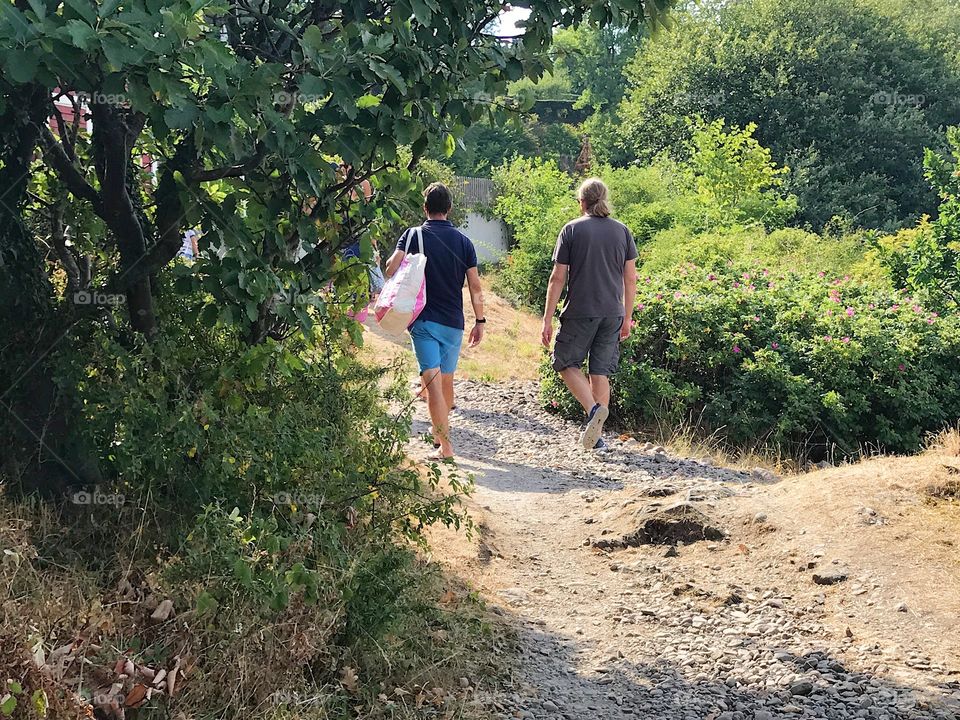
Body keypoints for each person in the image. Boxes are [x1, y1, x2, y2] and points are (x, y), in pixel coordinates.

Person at [385, 182, 485, 461]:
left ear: (425, 208)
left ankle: (446, 447)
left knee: (431, 383)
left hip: (424, 320)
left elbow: (391, 268)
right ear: (449, 208)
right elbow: (475, 287)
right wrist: (480, 320)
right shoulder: (465, 242)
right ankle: (440, 433)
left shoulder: (413, 234)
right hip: (454, 322)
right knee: (445, 382)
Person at [541, 178, 638, 450]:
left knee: (564, 362)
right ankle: (597, 439)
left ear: (581, 201)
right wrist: (627, 317)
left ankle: (594, 411)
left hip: (581, 311)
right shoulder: (622, 231)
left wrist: (547, 318)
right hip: (613, 313)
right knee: (600, 372)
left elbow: (557, 278)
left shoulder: (571, 230)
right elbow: (630, 279)